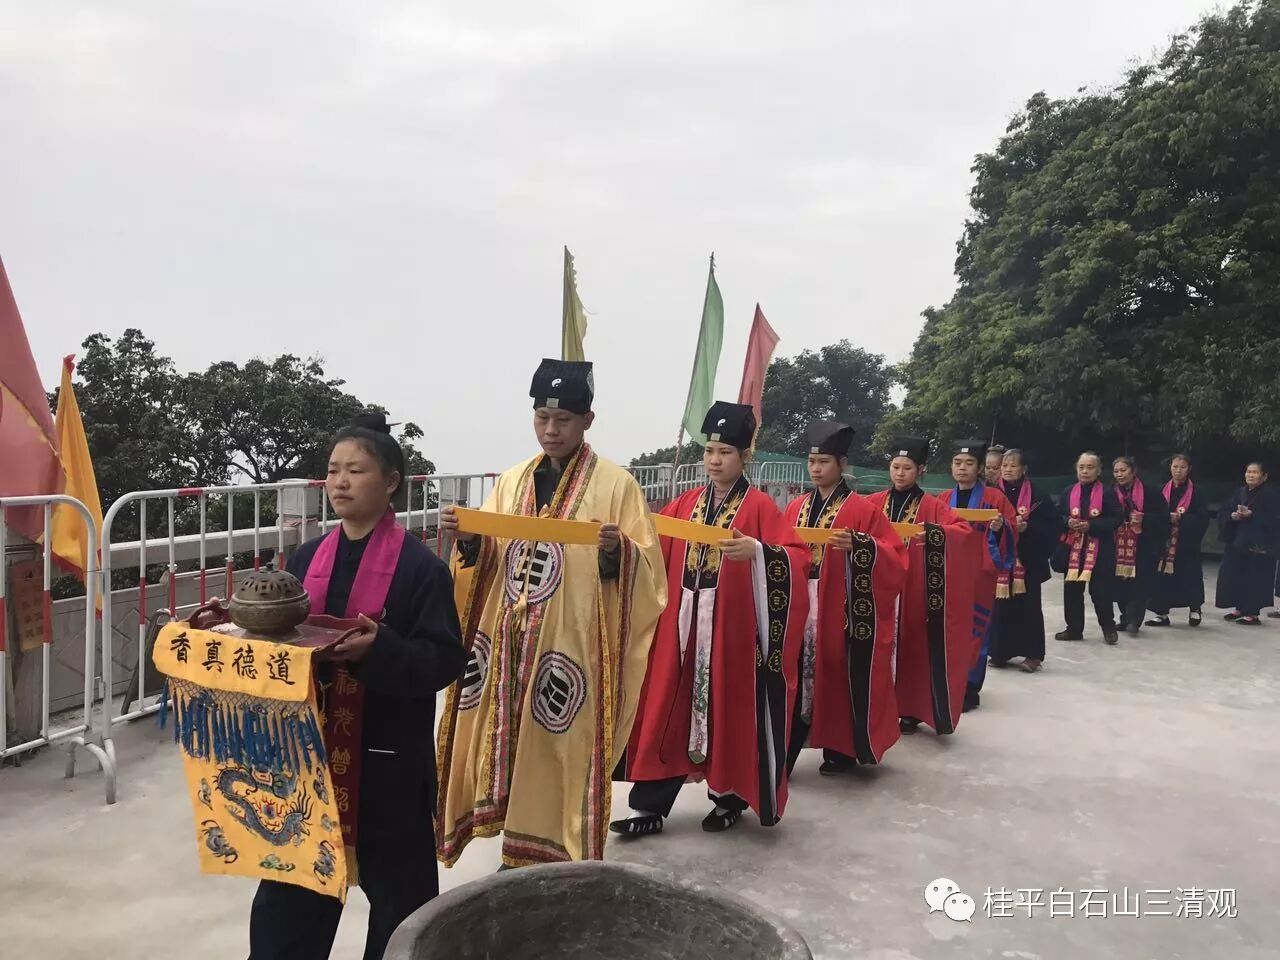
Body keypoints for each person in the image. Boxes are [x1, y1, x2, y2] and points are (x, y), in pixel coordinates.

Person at [249, 412, 466, 960]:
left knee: (399, 909)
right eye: (333, 470)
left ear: (391, 482)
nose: (340, 482)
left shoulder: (420, 569)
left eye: (356, 470)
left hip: (387, 764)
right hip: (307, 760)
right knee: (288, 902)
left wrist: (380, 649)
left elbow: (443, 660)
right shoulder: (305, 560)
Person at [436, 360, 667, 868]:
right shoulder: (513, 480)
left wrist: (619, 553)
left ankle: (558, 848)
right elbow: (489, 555)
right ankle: (514, 842)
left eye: (563, 419)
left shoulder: (617, 485)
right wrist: (470, 539)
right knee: (508, 740)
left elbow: (650, 575)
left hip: (571, 648)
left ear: (588, 420)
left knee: (560, 745)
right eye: (542, 418)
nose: (551, 430)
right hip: (508, 641)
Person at [613, 402, 809, 837]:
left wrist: (758, 553)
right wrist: (620, 544)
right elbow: (649, 548)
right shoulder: (685, 504)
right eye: (709, 451)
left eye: (725, 452)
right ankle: (649, 807)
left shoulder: (759, 507)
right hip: (681, 630)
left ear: (744, 457)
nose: (715, 460)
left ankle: (728, 798)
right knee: (667, 707)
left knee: (729, 710)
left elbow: (797, 557)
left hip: (731, 636)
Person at [782, 421, 906, 776]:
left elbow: (895, 556)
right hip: (800, 603)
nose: (816, 469)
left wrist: (862, 546)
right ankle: (785, 751)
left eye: (824, 462)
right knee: (796, 673)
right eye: (811, 461)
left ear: (843, 464)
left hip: (840, 606)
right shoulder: (795, 507)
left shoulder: (862, 511)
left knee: (837, 672)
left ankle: (840, 748)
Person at [865, 437, 981, 736]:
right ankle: (875, 705)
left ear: (921, 470)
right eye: (895, 467)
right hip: (878, 586)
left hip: (914, 590)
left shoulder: (932, 505)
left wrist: (935, 534)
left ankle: (908, 709)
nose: (900, 473)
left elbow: (962, 530)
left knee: (912, 647)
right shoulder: (873, 503)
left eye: (907, 468)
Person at [938, 439, 1016, 712]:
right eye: (957, 463)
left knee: (976, 630)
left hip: (978, 574)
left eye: (969, 463)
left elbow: (1011, 531)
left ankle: (970, 688)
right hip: (947, 572)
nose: (962, 468)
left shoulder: (995, 498)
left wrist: (1000, 527)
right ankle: (946, 682)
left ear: (980, 468)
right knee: (947, 629)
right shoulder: (942, 499)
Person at [990, 449, 1059, 672]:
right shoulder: (992, 492)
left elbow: (1052, 525)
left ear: (1024, 469)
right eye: (1004, 465)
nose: (1008, 469)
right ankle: (1000, 652)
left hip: (1028, 559)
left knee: (1030, 607)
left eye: (1013, 465)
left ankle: (1033, 655)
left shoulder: (1038, 494)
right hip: (999, 559)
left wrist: (1028, 527)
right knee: (1000, 607)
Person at [1054, 452, 1123, 645]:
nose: (1085, 471)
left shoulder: (1108, 492)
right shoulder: (1069, 491)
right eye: (1081, 467)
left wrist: (1091, 526)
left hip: (1099, 549)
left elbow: (1117, 518)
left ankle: (1108, 627)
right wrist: (1067, 521)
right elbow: (1058, 515)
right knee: (1072, 591)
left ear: (1099, 470)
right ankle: (1074, 629)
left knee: (1101, 591)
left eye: (1090, 467)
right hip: (1073, 548)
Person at [1146, 454, 1210, 628]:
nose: (1178, 470)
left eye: (1182, 467)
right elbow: (1152, 514)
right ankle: (1161, 613)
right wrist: (1166, 518)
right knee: (1162, 578)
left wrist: (1182, 519)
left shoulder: (1196, 492)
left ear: (1189, 469)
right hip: (1165, 541)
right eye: (1175, 467)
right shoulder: (1161, 490)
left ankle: (1195, 608)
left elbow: (1202, 518)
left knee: (1190, 576)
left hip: (1186, 542)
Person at [1215, 461, 1280, 626]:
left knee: (1254, 578)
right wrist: (1232, 516)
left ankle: (1252, 613)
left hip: (1259, 545)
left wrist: (1253, 515)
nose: (1251, 475)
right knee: (1234, 574)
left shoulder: (1271, 496)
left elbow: (1274, 519)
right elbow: (1224, 510)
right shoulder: (1240, 492)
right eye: (1248, 472)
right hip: (1237, 541)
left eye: (1255, 472)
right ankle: (1239, 608)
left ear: (1264, 476)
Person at [1110, 456, 1169, 637]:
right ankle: (1125, 617)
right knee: (1120, 583)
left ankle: (1134, 620)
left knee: (1140, 583)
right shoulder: (1110, 493)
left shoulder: (1150, 492)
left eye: (1123, 470)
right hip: (1118, 545)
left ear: (1133, 471)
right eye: (1116, 471)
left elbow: (1164, 518)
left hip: (1144, 545)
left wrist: (1145, 519)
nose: (1119, 475)